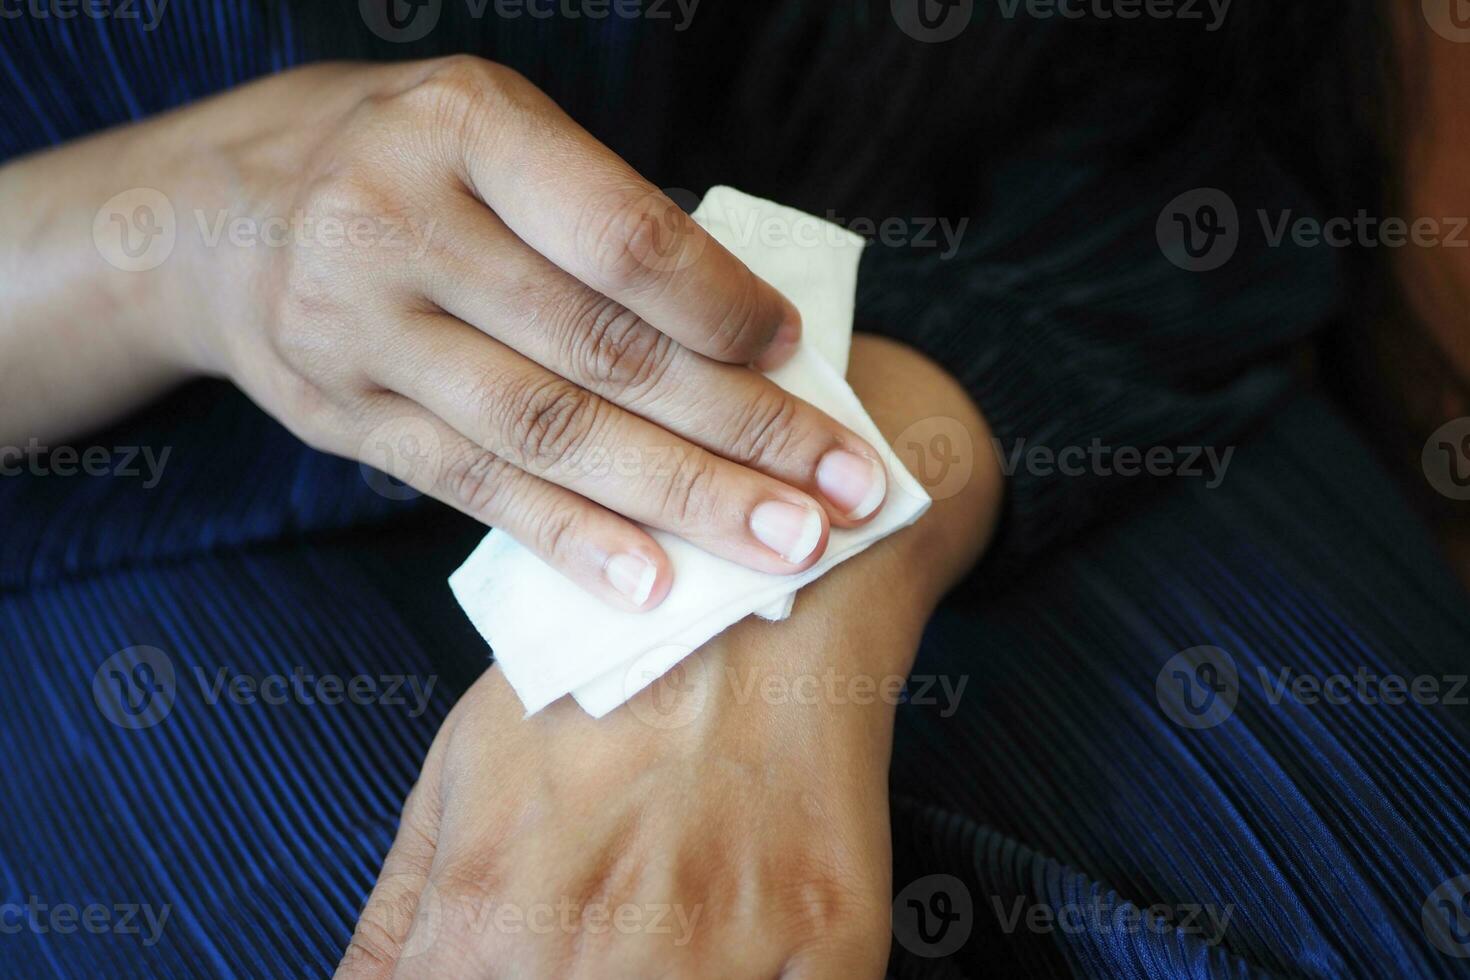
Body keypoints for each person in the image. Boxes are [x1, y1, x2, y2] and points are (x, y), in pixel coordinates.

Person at [1, 2, 1466, 976]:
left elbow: (1209, 108)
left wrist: (817, 518)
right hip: (123, 476)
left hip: (1009, 308)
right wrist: (172, 224)